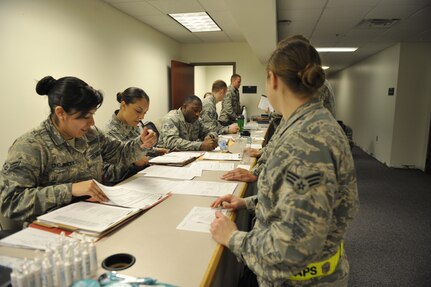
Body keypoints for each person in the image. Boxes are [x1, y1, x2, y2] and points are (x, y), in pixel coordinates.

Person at [210, 37, 359, 286]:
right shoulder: (310, 123)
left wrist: (232, 237)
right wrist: (246, 202)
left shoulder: (306, 144)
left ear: (274, 79)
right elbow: (290, 200)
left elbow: (289, 252)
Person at [0, 76, 157, 226]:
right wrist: (70, 190)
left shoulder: (90, 134)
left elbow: (118, 153)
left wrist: (141, 143)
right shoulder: (31, 146)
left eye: (93, 115)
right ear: (60, 113)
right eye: (86, 116)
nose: (92, 122)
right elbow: (10, 202)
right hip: (54, 231)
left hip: (97, 217)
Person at [103, 87, 162, 185]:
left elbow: (140, 149)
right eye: (138, 111)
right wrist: (133, 162)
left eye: (144, 113)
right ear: (123, 106)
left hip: (143, 179)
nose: (142, 117)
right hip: (124, 186)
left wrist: (154, 150)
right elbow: (106, 174)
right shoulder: (108, 133)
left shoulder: (133, 124)